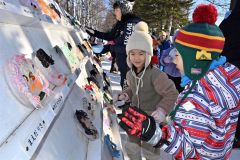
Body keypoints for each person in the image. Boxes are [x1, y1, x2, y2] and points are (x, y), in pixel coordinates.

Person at [118, 4, 240, 160]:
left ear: (194, 59)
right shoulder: (217, 82)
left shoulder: (197, 100)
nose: (173, 57)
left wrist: (157, 134)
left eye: (179, 54)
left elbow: (188, 148)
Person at [115, 21, 178, 160]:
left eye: (141, 54)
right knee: (131, 146)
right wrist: (126, 94)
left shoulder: (155, 75)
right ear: (128, 55)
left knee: (150, 152)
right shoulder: (130, 74)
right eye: (132, 54)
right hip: (134, 116)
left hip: (151, 120)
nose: (136, 58)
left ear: (148, 54)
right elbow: (131, 87)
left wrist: (162, 110)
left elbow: (172, 93)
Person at [85, 0, 141, 88]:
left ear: (124, 10)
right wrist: (94, 32)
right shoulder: (121, 23)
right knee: (125, 87)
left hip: (131, 67)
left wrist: (111, 47)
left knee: (129, 90)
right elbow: (110, 36)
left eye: (117, 10)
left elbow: (127, 49)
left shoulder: (131, 24)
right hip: (124, 65)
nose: (115, 13)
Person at [219, 1, 240, 148]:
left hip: (229, 71)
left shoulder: (228, 22)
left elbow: (217, 44)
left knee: (229, 104)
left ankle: (229, 135)